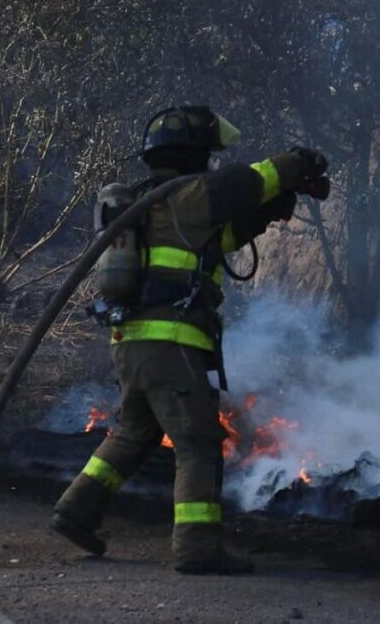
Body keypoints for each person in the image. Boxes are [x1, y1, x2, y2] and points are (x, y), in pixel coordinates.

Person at [51, 106, 329, 574]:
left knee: (135, 434)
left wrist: (275, 208)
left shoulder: (154, 204)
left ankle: (76, 510)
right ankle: (197, 547)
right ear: (198, 153)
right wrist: (298, 162)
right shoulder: (198, 192)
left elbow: (222, 239)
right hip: (171, 342)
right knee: (198, 442)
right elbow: (250, 180)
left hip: (131, 342)